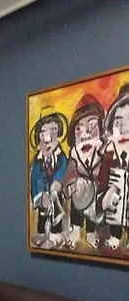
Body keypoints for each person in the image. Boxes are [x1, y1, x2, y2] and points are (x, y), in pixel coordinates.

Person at [63, 94, 105, 250]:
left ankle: (91, 232)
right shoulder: (75, 157)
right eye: (79, 129)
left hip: (96, 197)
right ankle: (76, 228)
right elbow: (69, 174)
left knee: (95, 207)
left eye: (92, 126)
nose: (86, 134)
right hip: (79, 197)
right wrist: (70, 185)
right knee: (78, 197)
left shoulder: (103, 155)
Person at [30, 108, 68, 248]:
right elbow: (35, 179)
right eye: (43, 133)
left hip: (56, 194)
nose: (48, 138)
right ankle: (42, 232)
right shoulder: (37, 163)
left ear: (58, 133)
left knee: (57, 210)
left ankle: (55, 232)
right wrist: (41, 195)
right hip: (44, 196)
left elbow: (64, 169)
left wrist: (58, 182)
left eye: (53, 131)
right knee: (43, 213)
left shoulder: (62, 158)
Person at [97, 84, 129, 251]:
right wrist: (105, 198)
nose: (123, 128)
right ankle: (116, 235)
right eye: (118, 121)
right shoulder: (109, 157)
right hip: (114, 219)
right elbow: (101, 186)